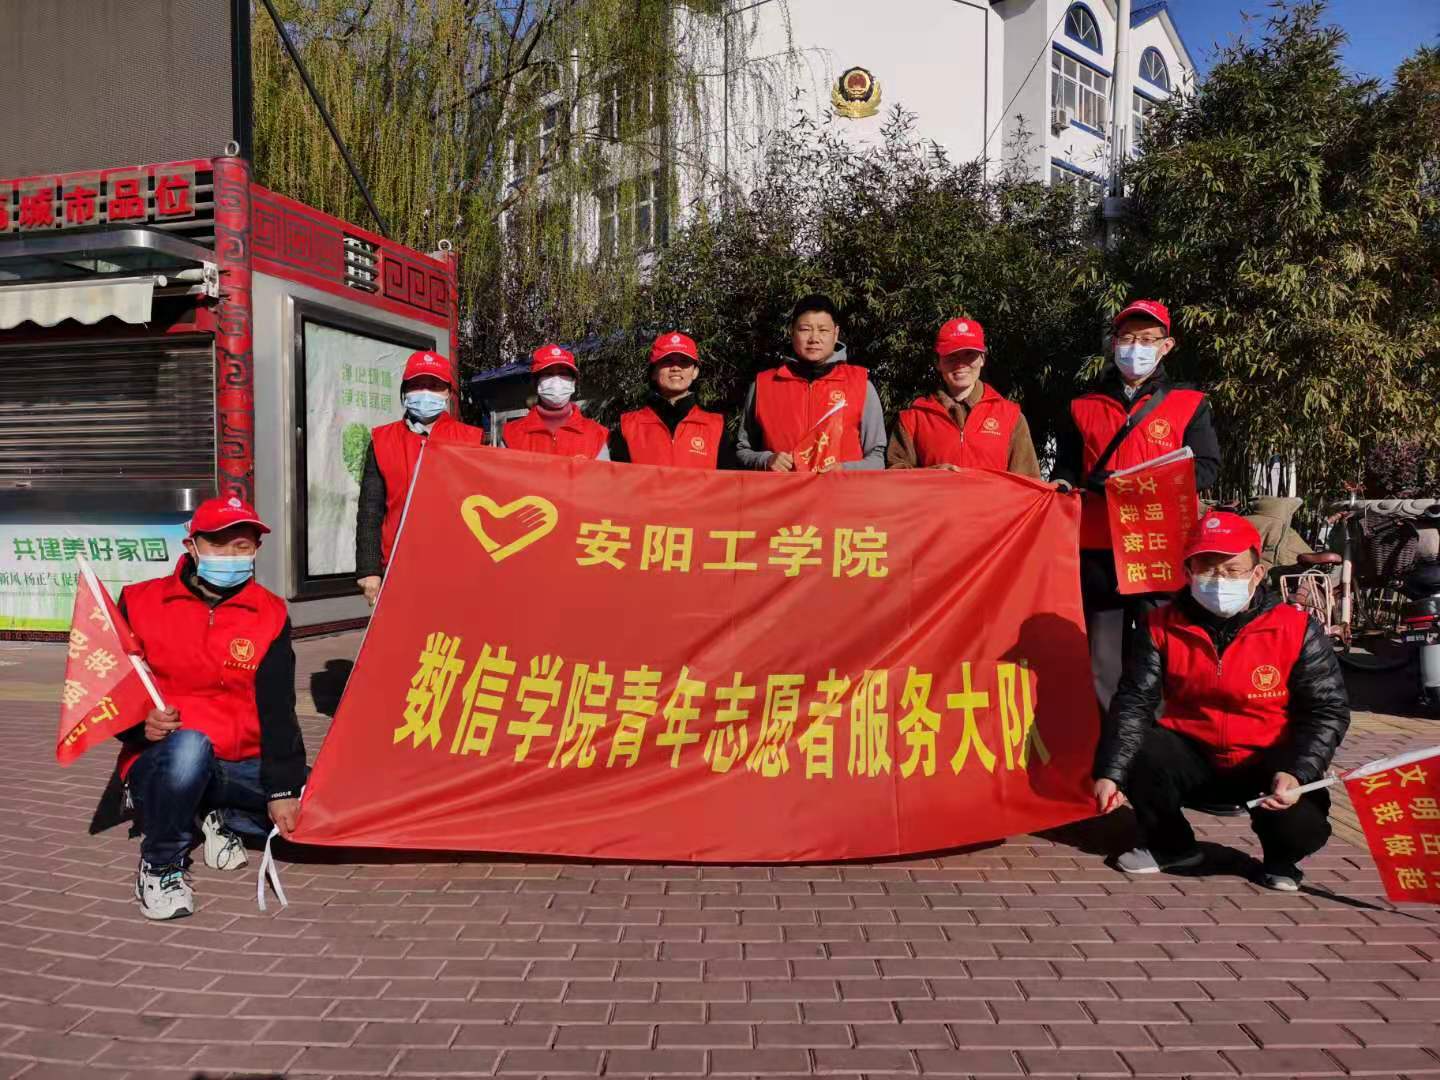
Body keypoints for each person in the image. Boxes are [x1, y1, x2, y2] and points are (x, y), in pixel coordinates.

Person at [1092, 512, 1349, 891]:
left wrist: (1298, 772)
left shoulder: (1295, 628)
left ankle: (1281, 860)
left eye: (1232, 570)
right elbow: (1134, 701)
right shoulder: (1160, 625)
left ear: (1257, 574)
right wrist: (1110, 773)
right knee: (1139, 748)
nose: (1219, 580)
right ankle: (1171, 846)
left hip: (1268, 763)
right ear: (1188, 572)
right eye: (1207, 569)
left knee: (1302, 820)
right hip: (1195, 757)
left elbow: (1327, 709)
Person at [115, 497, 307, 920]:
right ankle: (161, 864)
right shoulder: (139, 601)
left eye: (242, 546)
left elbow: (279, 707)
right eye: (218, 544)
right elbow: (111, 688)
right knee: (190, 750)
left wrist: (283, 791)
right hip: (170, 758)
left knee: (314, 810)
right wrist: (138, 726)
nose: (230, 555)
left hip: (240, 764)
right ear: (192, 546)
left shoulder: (271, 612)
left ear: (256, 550)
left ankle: (217, 814)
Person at [1051, 300, 1221, 711]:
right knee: (1102, 654)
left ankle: (1155, 734)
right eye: (1128, 338)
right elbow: (1067, 466)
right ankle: (1109, 737)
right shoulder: (1083, 406)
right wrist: (1064, 484)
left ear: (1166, 346)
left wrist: (1141, 485)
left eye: (1147, 339)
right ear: (1114, 344)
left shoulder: (1189, 403)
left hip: (1159, 547)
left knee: (1159, 647)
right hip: (1099, 546)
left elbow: (1206, 467)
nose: (1136, 348)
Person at [355, 349, 485, 606]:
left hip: (458, 570)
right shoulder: (382, 440)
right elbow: (370, 510)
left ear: (447, 393)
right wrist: (369, 569)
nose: (426, 392)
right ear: (405, 390)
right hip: (398, 568)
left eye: (434, 386)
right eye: (417, 385)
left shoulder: (472, 440)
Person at [735, 294, 886, 472]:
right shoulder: (763, 385)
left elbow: (877, 459)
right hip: (783, 490)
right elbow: (741, 451)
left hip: (842, 489)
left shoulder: (861, 385)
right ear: (792, 331)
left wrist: (844, 470)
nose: (814, 338)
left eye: (823, 330)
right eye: (805, 329)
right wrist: (765, 460)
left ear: (835, 333)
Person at [887, 317, 1041, 477]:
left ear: (982, 359)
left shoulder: (1010, 417)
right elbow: (895, 479)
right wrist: (932, 475)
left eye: (969, 354)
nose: (960, 364)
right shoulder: (913, 419)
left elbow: (1028, 483)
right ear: (937, 362)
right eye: (951, 355)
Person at [611, 332, 728, 468]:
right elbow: (618, 480)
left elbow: (729, 480)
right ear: (654, 372)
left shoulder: (716, 426)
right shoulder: (627, 426)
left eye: (684, 361)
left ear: (695, 372)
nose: (676, 368)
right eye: (667, 361)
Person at [500, 343, 610, 458]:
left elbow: (604, 470)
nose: (556, 381)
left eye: (563, 373)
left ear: (573, 382)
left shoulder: (595, 434)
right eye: (548, 374)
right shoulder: (512, 435)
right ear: (536, 383)